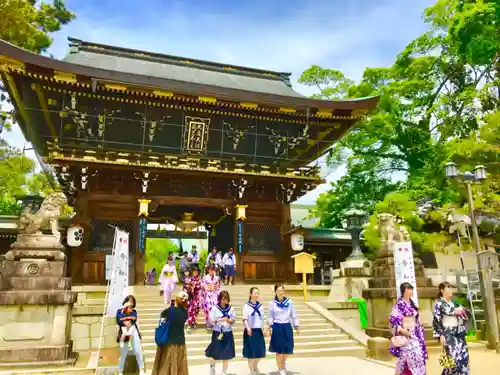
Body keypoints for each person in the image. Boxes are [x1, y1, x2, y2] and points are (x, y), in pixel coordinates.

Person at [389, 282, 428, 375]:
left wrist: (420, 325)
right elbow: (393, 319)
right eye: (410, 289)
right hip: (405, 335)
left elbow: (416, 318)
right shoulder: (399, 304)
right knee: (408, 359)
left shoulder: (412, 303)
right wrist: (401, 330)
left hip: (416, 334)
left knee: (419, 357)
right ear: (405, 290)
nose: (412, 291)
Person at [433, 281, 470, 375]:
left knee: (463, 357)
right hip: (448, 334)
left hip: (459, 333)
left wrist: (461, 311)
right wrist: (441, 335)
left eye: (451, 287)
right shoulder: (439, 304)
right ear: (442, 290)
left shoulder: (455, 303)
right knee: (453, 359)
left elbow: (465, 312)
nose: (450, 290)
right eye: (448, 288)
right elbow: (436, 321)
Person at [150, 291, 190, 375]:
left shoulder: (169, 311)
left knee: (166, 365)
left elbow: (162, 318)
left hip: (168, 341)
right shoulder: (185, 313)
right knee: (179, 365)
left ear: (176, 299)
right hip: (180, 341)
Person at [268, 284, 299, 375]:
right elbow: (270, 316)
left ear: (284, 291)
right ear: (275, 292)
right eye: (278, 291)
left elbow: (293, 314)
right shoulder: (272, 303)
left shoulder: (289, 301)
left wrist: (296, 326)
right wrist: (270, 326)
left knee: (288, 348)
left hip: (287, 326)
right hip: (277, 327)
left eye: (282, 291)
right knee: (278, 350)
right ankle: (280, 368)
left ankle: (283, 362)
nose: (280, 293)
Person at [205, 290, 236, 375]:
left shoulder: (231, 308)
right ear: (219, 299)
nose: (224, 301)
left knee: (227, 352)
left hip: (227, 332)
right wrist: (219, 320)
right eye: (223, 299)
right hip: (217, 332)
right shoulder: (215, 308)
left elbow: (233, 320)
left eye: (226, 299)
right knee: (215, 351)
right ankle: (212, 367)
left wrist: (229, 320)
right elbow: (211, 321)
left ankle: (224, 372)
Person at [116, 295, 145, 375]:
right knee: (123, 351)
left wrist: (128, 322)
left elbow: (133, 319)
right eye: (129, 301)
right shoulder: (119, 311)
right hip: (124, 332)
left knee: (137, 349)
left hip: (133, 330)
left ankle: (141, 369)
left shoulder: (134, 311)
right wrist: (124, 322)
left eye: (132, 301)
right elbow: (118, 320)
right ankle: (120, 371)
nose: (131, 303)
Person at [243, 287, 266, 375]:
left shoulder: (260, 306)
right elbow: (244, 319)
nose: (256, 295)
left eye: (257, 293)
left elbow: (262, 319)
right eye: (255, 293)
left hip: (258, 331)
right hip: (250, 331)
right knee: (251, 353)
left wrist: (264, 328)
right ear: (250, 294)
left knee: (260, 352)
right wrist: (248, 328)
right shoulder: (247, 305)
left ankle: (256, 367)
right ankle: (252, 371)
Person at [201, 265, 221, 329]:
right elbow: (202, 286)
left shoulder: (217, 278)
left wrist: (218, 294)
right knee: (208, 309)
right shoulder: (205, 278)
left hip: (215, 295)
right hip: (207, 295)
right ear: (208, 270)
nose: (212, 271)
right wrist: (205, 293)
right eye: (211, 270)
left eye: (213, 270)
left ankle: (214, 323)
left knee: (214, 309)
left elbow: (218, 287)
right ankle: (209, 323)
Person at [185, 265, 202, 330]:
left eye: (196, 271)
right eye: (194, 271)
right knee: (190, 310)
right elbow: (185, 287)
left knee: (196, 310)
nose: (195, 273)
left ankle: (193, 321)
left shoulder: (199, 279)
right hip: (190, 297)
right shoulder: (189, 279)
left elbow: (200, 287)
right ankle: (189, 323)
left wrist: (195, 287)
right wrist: (189, 288)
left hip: (197, 297)